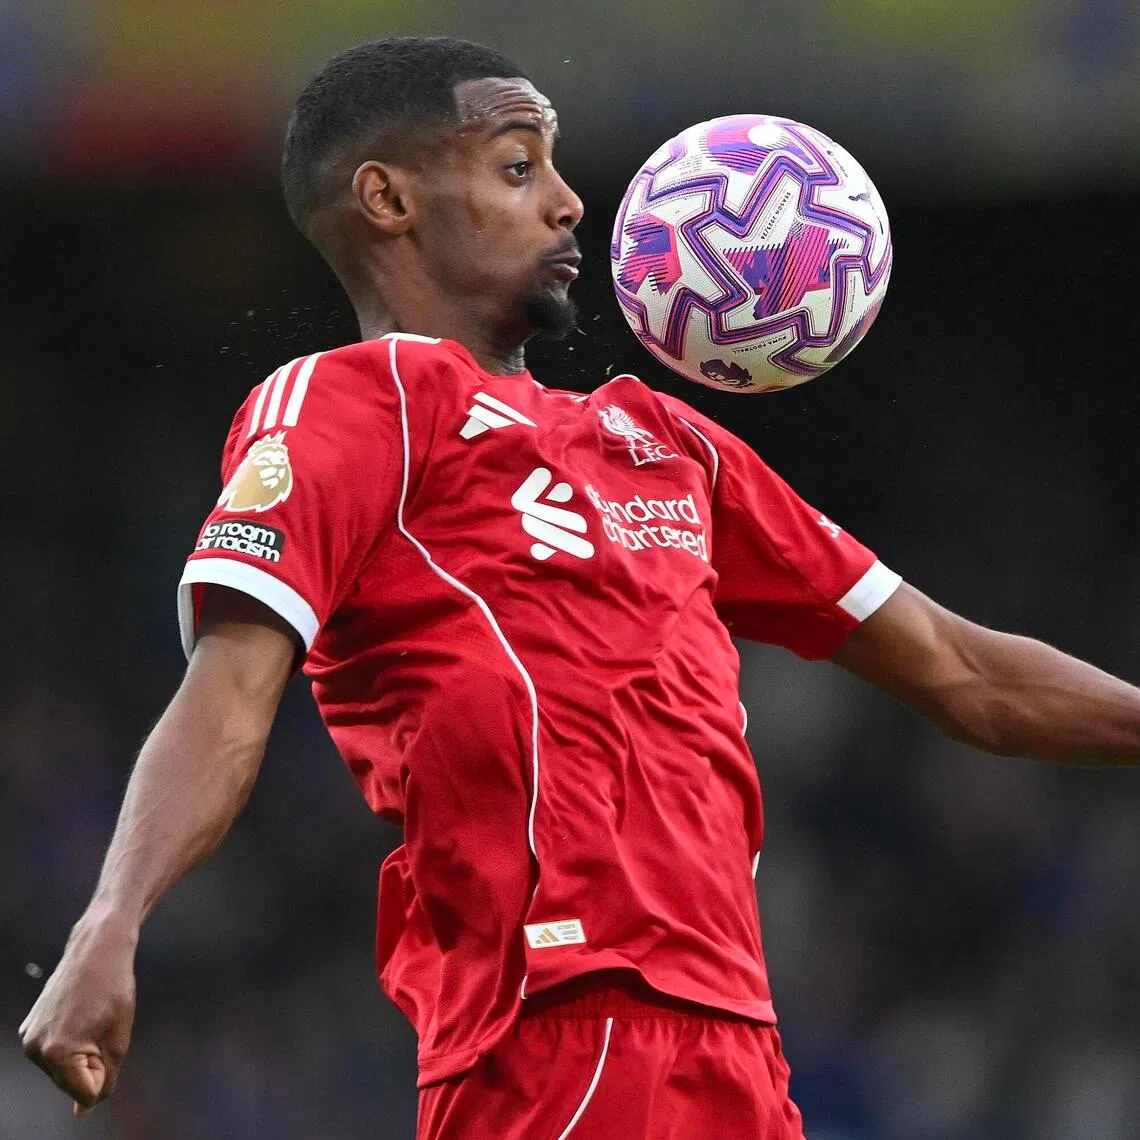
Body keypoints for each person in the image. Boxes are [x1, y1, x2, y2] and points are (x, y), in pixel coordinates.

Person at [19, 36, 1140, 1140]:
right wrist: (110, 922)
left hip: (740, 1045)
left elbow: (965, 673)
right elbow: (228, 691)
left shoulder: (664, 443)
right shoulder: (361, 401)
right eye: (518, 166)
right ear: (387, 199)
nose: (568, 203)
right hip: (557, 1032)